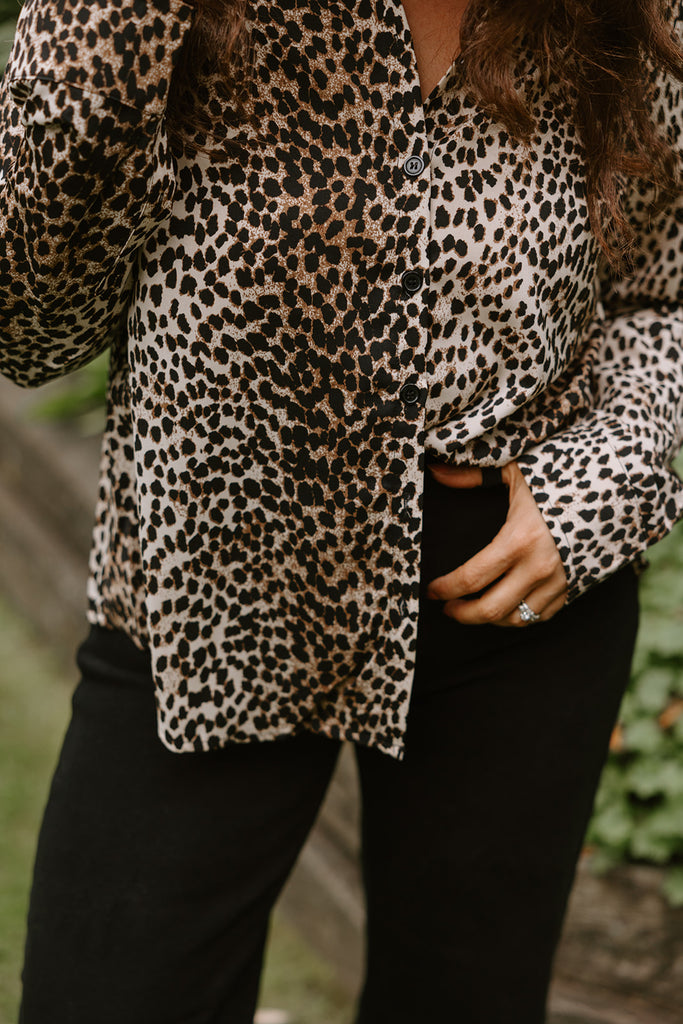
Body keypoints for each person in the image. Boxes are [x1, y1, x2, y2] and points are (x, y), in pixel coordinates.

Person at [1, 0, 682, 1020]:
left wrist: (604, 481)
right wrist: (108, 36)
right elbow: (25, 324)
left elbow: (665, 285)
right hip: (212, 582)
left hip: (508, 586)